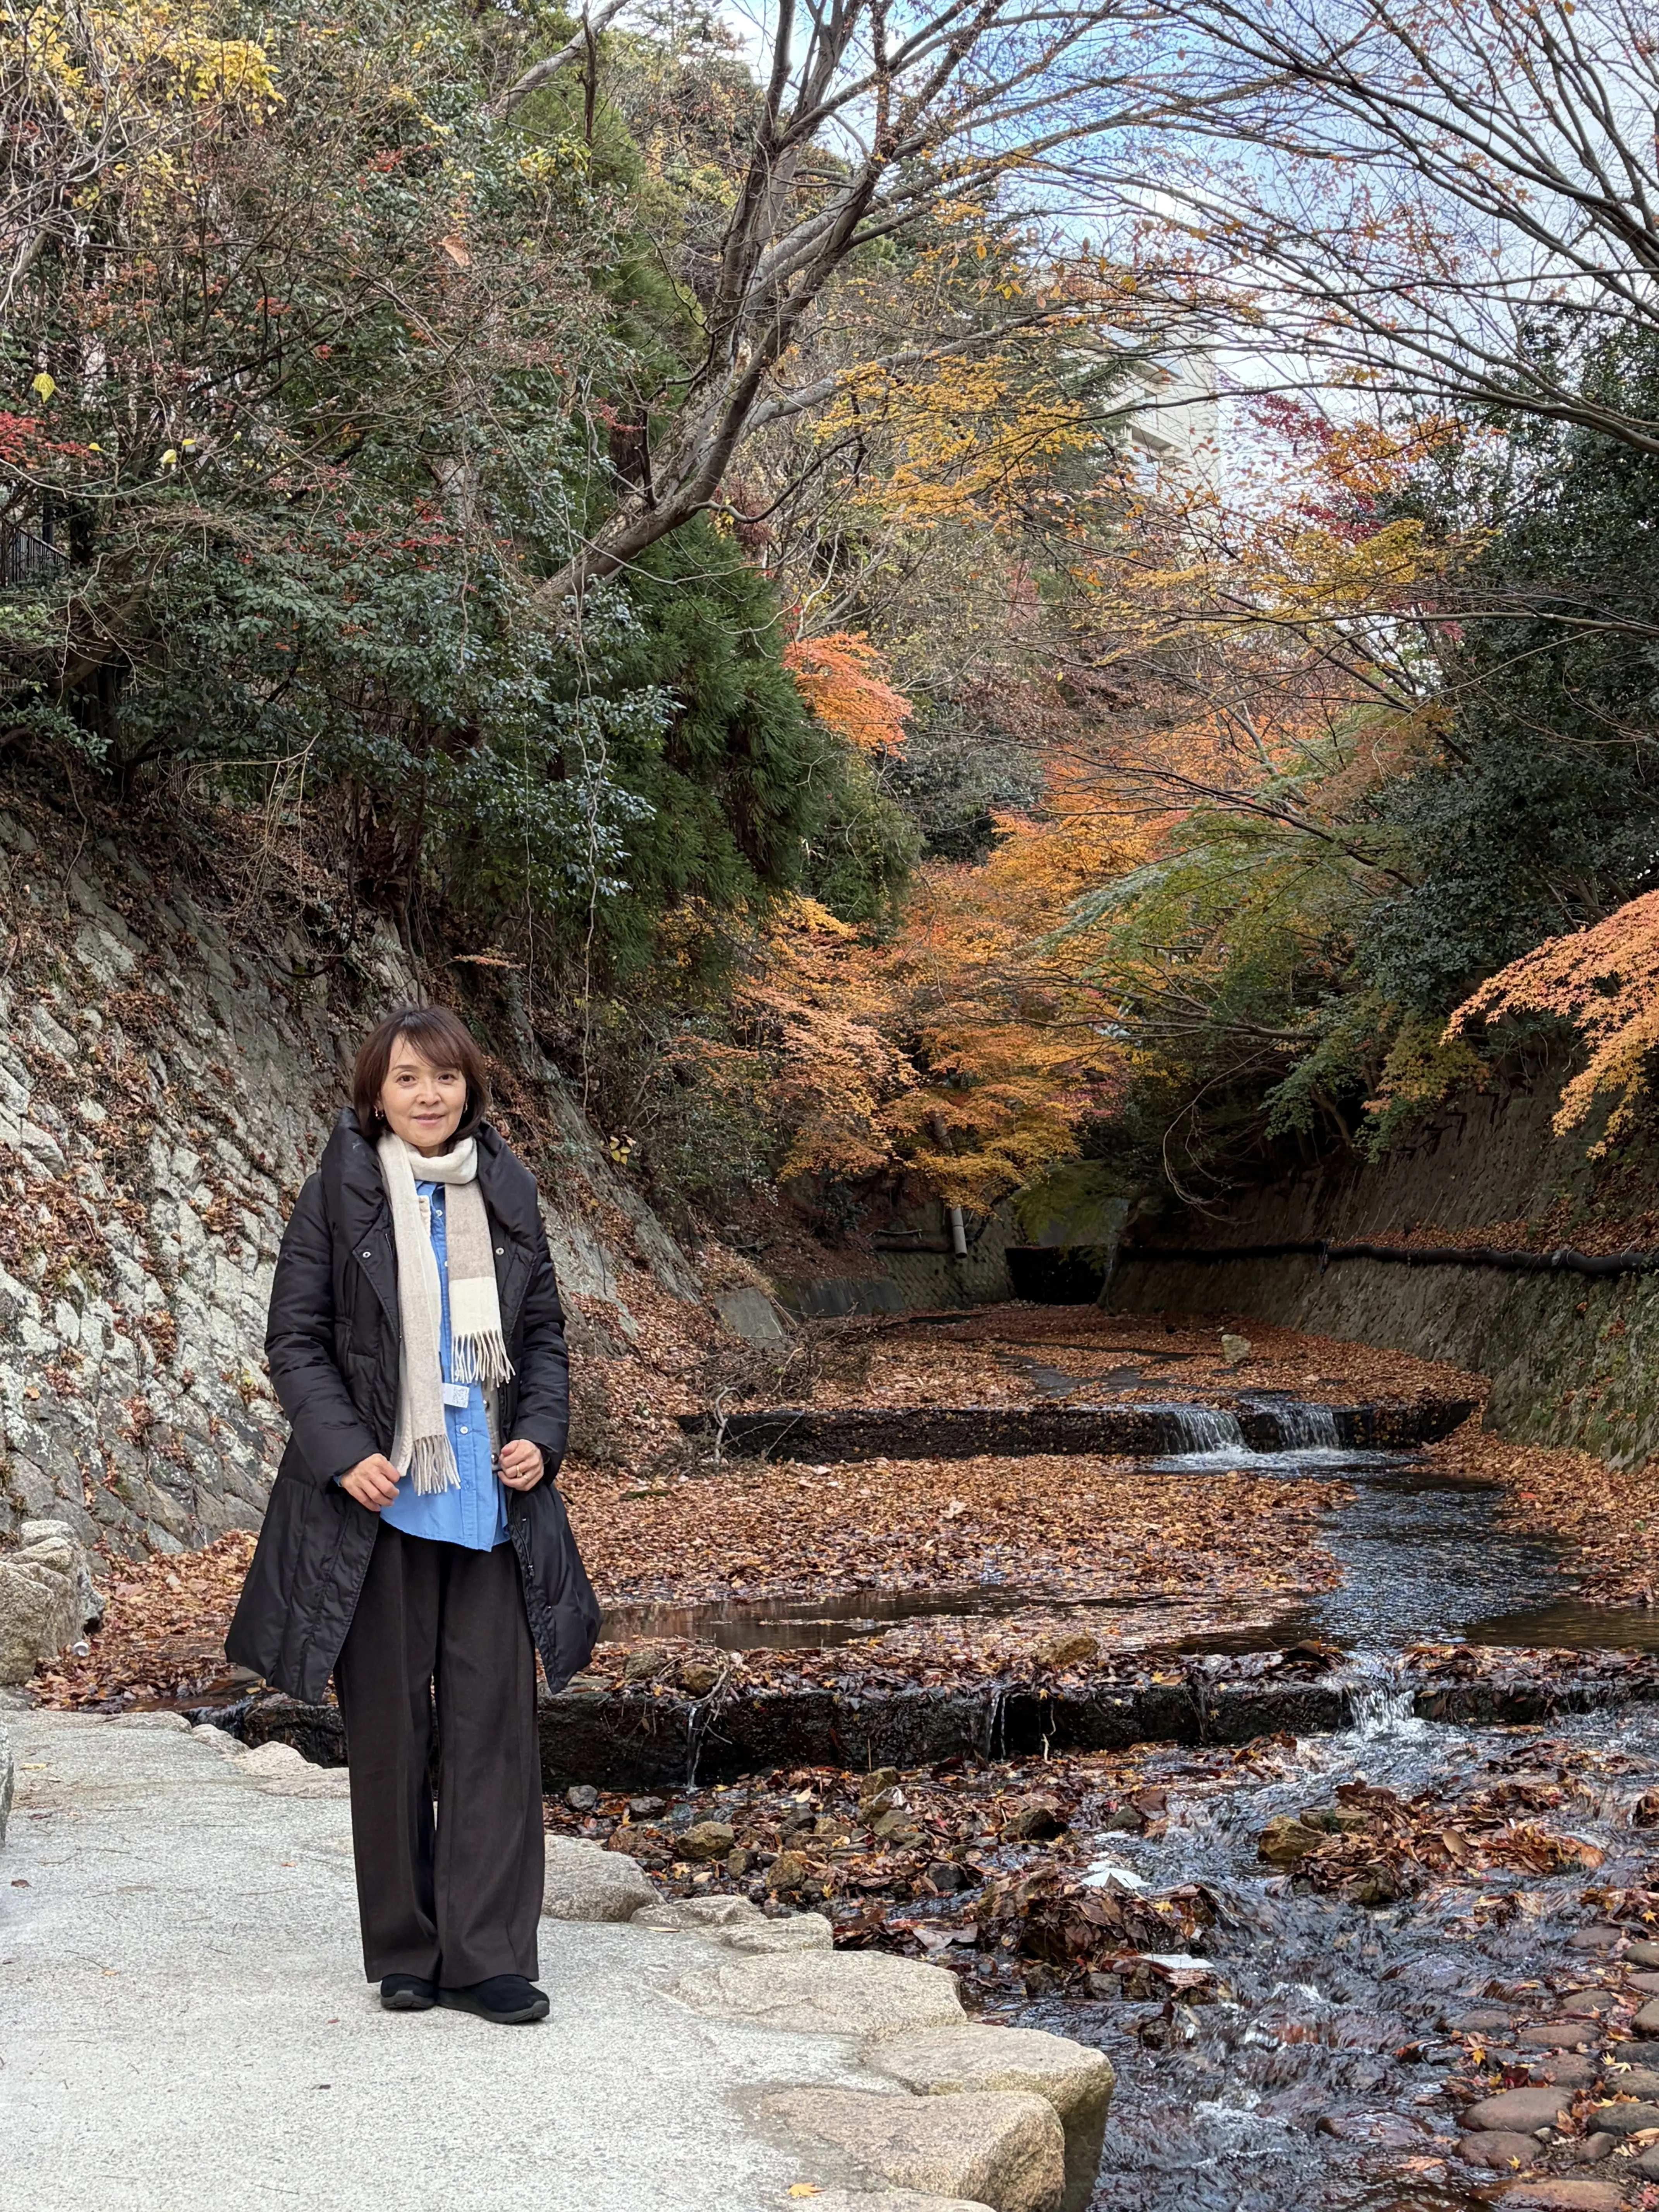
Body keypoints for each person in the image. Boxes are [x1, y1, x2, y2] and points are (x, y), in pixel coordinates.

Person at [227, 1004, 599, 2024]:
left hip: (489, 1499)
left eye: (443, 1078)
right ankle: (405, 1949)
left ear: (469, 1089)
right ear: (374, 1094)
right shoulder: (337, 1198)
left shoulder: (509, 1191)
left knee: (491, 1729)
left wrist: (544, 1434)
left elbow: (545, 1340)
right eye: (405, 1079)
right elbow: (295, 1343)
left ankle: (487, 1957)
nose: (427, 1095)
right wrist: (344, 1454)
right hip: (378, 1503)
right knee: (391, 1731)